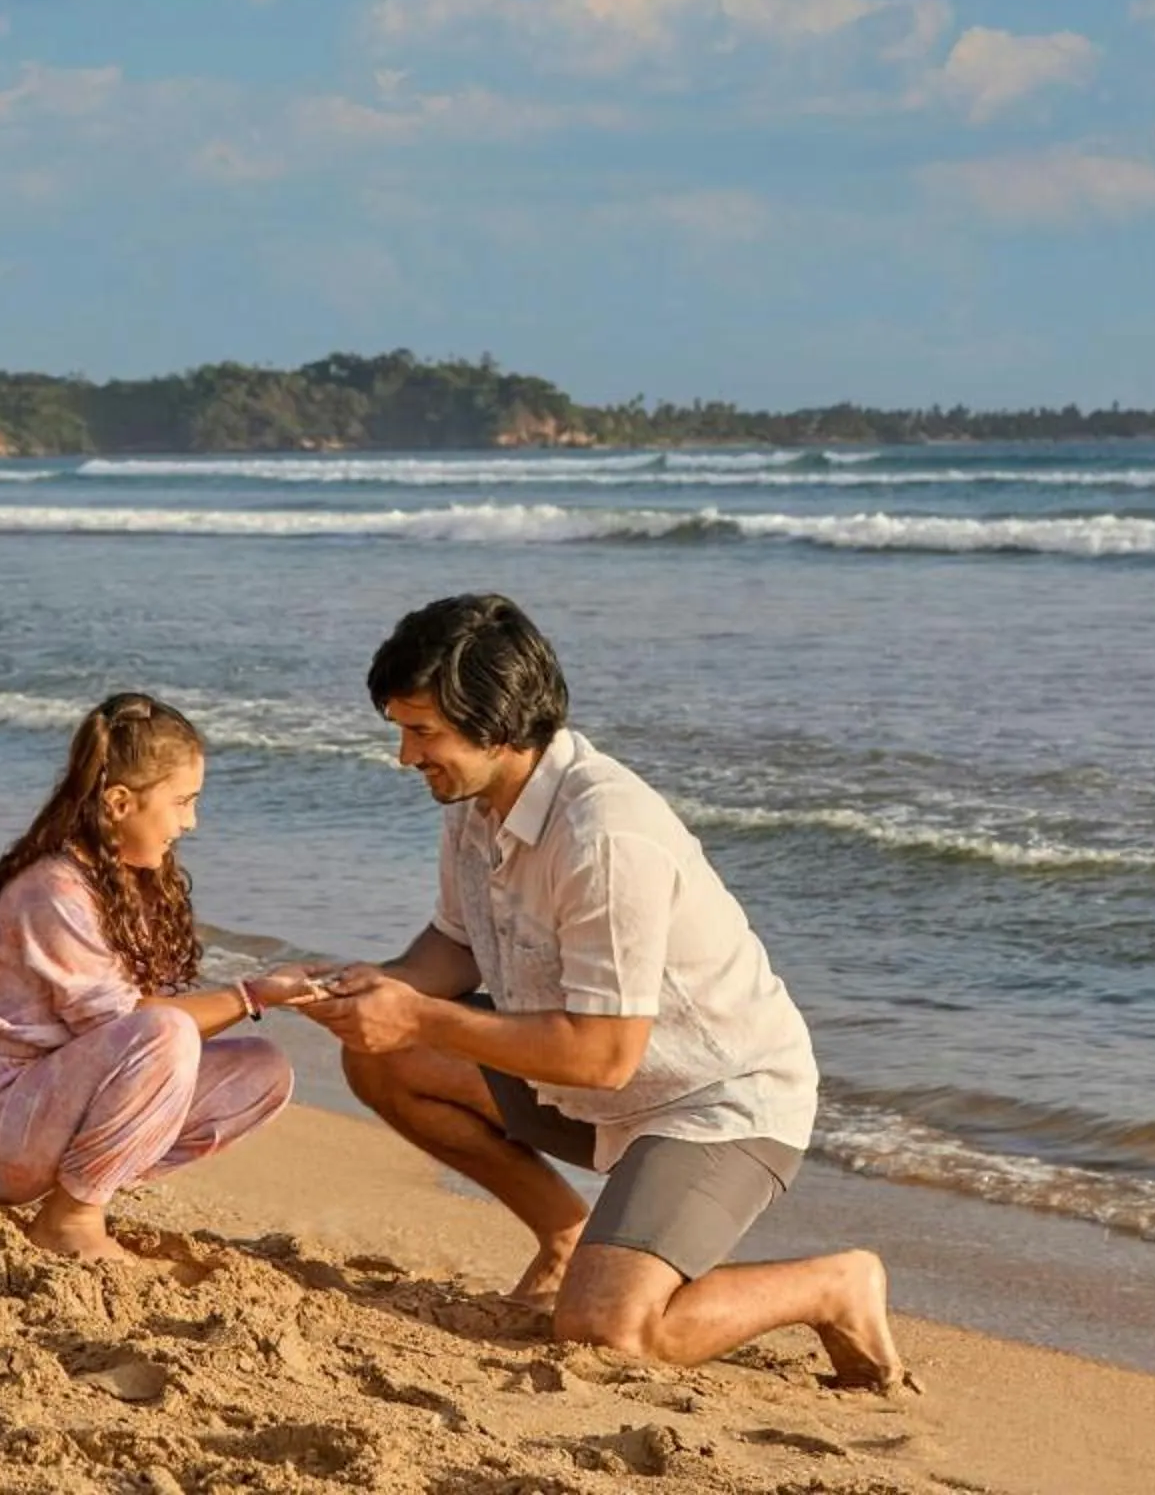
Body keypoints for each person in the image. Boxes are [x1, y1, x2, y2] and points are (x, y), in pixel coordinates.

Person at [296, 594, 910, 1388]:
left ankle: (835, 1285)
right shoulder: (478, 801)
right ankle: (564, 1236)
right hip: (584, 1090)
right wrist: (372, 991)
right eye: (402, 731)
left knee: (610, 1330)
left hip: (709, 1103)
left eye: (423, 734)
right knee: (382, 1058)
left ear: (503, 727)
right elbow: (454, 944)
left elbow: (604, 1054)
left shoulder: (605, 834)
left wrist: (417, 1015)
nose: (406, 757)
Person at [0, 690, 320, 1261]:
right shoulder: (56, 890)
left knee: (263, 1070)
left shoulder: (123, 881)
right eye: (182, 802)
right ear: (120, 803)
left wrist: (270, 996)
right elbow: (137, 1025)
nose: (191, 822)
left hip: (57, 1101)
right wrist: (252, 995)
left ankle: (82, 1188)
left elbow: (135, 1040)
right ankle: (71, 1218)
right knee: (168, 1033)